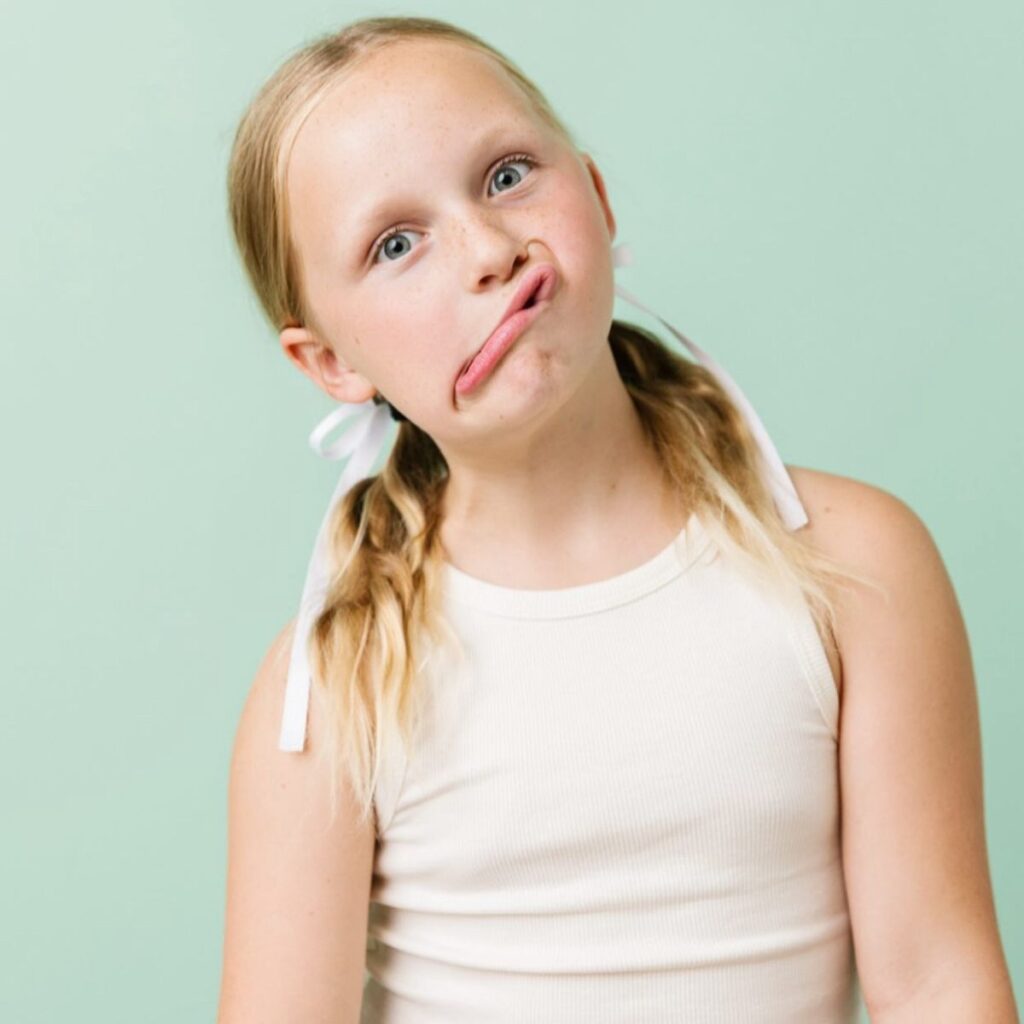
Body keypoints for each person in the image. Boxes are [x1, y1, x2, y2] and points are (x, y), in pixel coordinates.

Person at [216, 15, 1018, 1024]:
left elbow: (939, 985)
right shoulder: (322, 694)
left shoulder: (854, 565)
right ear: (330, 363)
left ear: (594, 196)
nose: (487, 250)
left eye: (506, 176)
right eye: (395, 243)